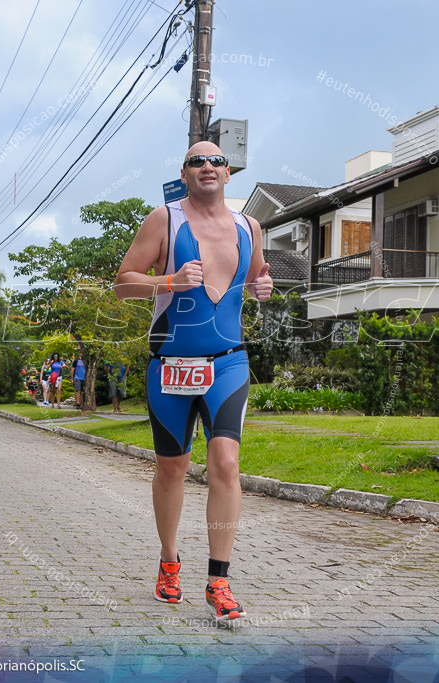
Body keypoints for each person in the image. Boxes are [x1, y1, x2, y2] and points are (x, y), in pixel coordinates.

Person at [115, 141, 273, 622]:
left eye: (217, 161)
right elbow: (123, 282)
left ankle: (219, 579)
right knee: (172, 468)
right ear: (184, 174)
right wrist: (169, 282)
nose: (207, 166)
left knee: (226, 462)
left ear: (229, 174)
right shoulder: (164, 219)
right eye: (196, 161)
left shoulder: (250, 226)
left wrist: (265, 285)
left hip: (228, 361)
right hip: (171, 364)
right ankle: (168, 561)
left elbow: (260, 275)